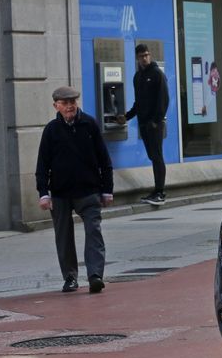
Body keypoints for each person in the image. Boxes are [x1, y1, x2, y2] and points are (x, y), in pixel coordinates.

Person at [36, 86, 114, 294]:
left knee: (93, 231)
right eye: (65, 103)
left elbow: (104, 160)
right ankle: (70, 277)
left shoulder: (89, 124)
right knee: (63, 236)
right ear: (56, 106)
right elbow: (42, 165)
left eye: (73, 102)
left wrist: (107, 190)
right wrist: (43, 193)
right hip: (60, 193)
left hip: (89, 190)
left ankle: (95, 275)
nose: (70, 106)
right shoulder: (51, 130)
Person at [119, 44, 170, 205]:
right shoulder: (138, 77)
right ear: (137, 58)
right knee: (153, 156)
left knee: (157, 156)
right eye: (142, 56)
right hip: (144, 124)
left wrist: (155, 121)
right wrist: (126, 117)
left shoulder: (157, 74)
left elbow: (164, 99)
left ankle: (160, 192)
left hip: (154, 124)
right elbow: (139, 103)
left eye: (147, 55)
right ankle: (156, 191)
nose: (145, 58)